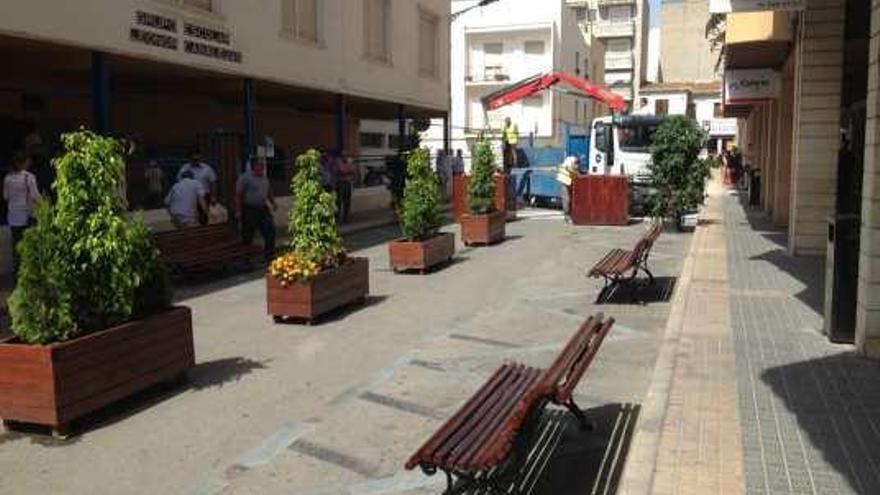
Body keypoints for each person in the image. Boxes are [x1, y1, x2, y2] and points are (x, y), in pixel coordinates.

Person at [3, 152, 41, 277]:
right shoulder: (29, 177)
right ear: (23, 162)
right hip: (26, 216)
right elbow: (36, 196)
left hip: (13, 216)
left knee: (16, 246)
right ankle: (28, 273)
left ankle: (17, 274)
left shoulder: (8, 178)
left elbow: (5, 196)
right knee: (28, 245)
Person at [236, 157, 277, 263]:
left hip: (263, 209)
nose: (263, 167)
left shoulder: (264, 177)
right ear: (253, 166)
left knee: (270, 231)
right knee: (248, 235)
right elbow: (239, 195)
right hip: (249, 209)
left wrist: (273, 203)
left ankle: (269, 256)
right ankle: (246, 260)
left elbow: (268, 191)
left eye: (263, 165)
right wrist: (239, 211)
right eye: (260, 165)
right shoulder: (245, 178)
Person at [556, 156, 580, 223]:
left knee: (570, 199)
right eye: (576, 164)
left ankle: (570, 215)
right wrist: (577, 173)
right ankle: (567, 215)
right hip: (564, 183)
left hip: (568, 183)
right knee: (566, 199)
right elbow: (571, 170)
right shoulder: (568, 166)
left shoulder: (571, 166)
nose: (577, 166)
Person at [335, 155, 357, 223]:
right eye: (343, 155)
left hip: (348, 182)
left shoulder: (349, 160)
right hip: (340, 183)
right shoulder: (338, 160)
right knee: (339, 200)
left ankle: (345, 217)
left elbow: (354, 169)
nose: (345, 157)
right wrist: (349, 167)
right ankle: (337, 217)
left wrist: (348, 168)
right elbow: (341, 170)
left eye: (346, 155)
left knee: (347, 200)